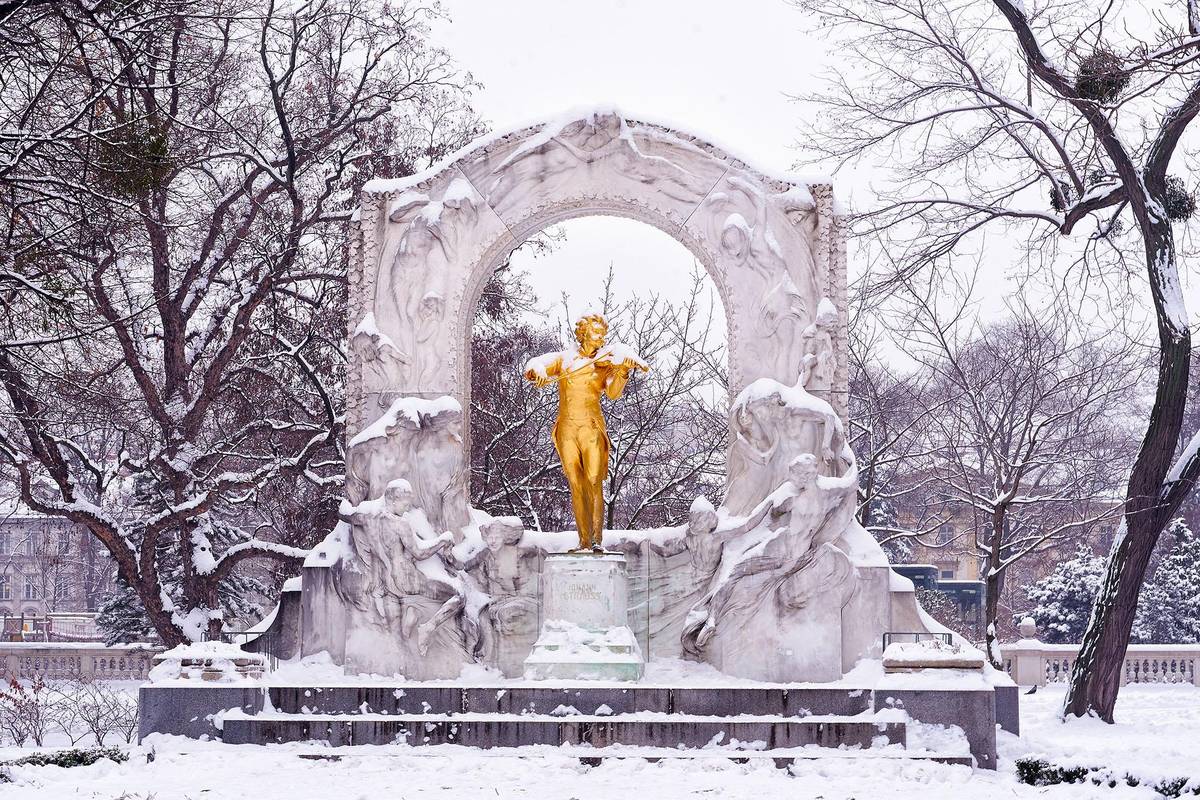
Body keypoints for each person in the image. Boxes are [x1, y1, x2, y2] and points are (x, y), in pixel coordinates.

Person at [524, 314, 647, 551]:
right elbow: (534, 364)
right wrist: (537, 371)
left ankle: (597, 541)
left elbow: (612, 393)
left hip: (591, 427)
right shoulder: (563, 359)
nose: (601, 337)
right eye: (596, 332)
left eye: (602, 333)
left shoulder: (604, 363)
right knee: (576, 484)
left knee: (594, 482)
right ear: (583, 333)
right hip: (567, 429)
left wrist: (622, 371)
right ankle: (583, 542)